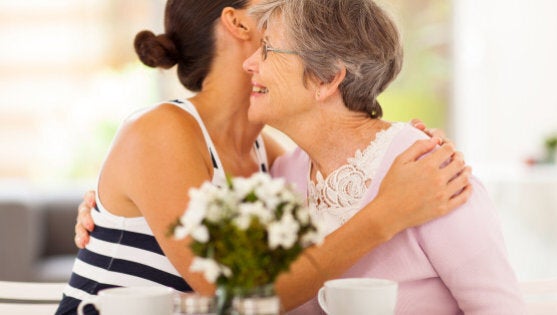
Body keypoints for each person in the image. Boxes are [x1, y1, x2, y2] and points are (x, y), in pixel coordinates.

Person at [56, 0, 471, 314]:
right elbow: (233, 292)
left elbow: (331, 209)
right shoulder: (159, 131)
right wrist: (389, 211)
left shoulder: (268, 156)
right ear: (238, 22)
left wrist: (404, 147)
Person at [239, 0, 526, 313]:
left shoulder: (432, 172)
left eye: (267, 48)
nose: (249, 64)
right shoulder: (283, 176)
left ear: (326, 78)